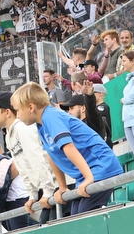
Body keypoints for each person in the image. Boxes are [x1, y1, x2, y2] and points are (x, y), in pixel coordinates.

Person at [11, 82, 124, 214]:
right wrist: (62, 186)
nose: (17, 116)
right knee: (75, 215)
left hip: (101, 167)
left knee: (84, 217)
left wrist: (88, 178)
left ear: (31, 107)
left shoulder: (51, 116)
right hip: (86, 174)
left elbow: (68, 147)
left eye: (18, 110)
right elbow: (51, 154)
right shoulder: (41, 124)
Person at [0, 92, 58, 223]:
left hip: (56, 187)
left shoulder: (23, 128)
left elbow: (38, 159)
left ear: (7, 112)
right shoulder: (10, 134)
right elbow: (22, 167)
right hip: (47, 189)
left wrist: (48, 191)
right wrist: (32, 195)